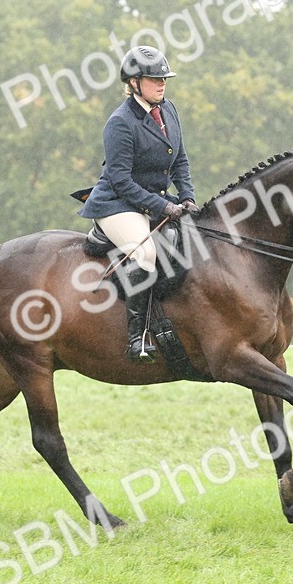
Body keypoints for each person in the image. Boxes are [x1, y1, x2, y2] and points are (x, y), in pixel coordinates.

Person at [78, 45, 199, 363]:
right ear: (133, 83)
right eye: (153, 79)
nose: (161, 84)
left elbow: (181, 160)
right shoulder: (120, 123)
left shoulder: (168, 110)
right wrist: (163, 209)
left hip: (154, 201)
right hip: (116, 204)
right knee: (144, 252)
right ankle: (136, 339)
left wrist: (187, 197)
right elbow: (121, 181)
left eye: (164, 79)